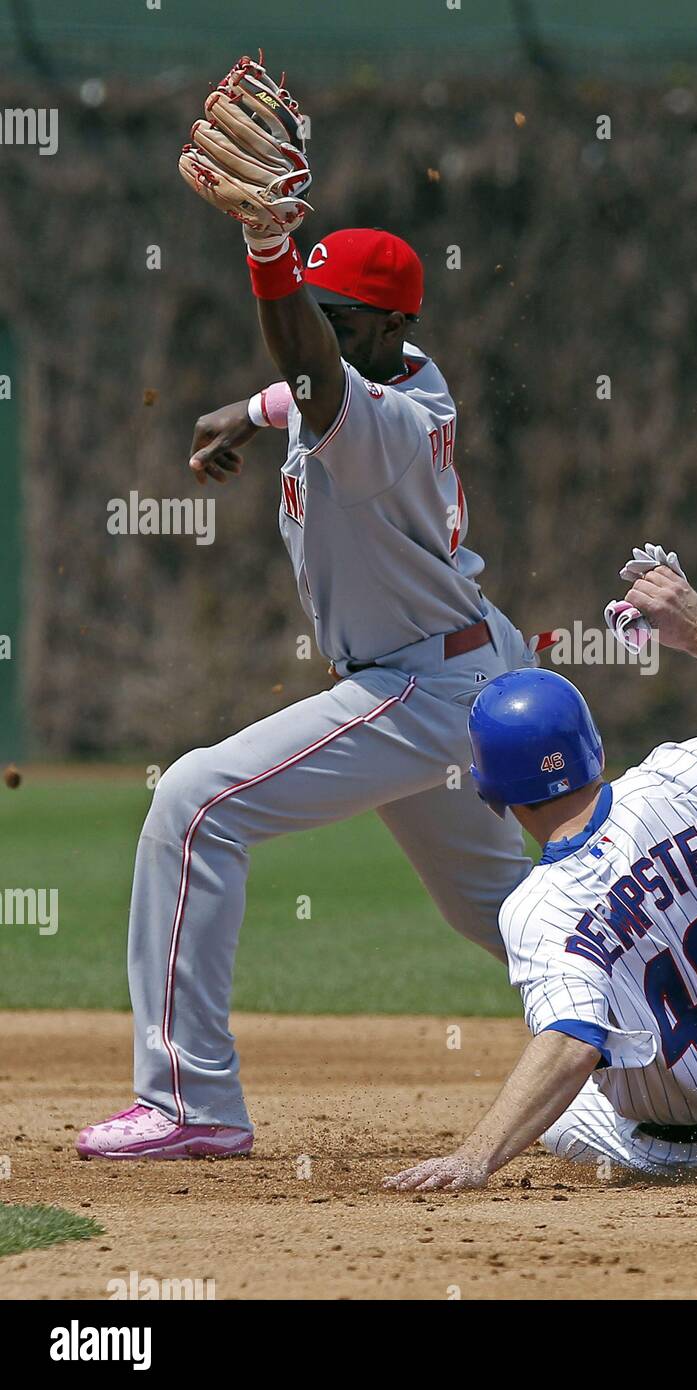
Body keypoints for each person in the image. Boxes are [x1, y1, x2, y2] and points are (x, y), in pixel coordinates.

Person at [78, 57, 536, 1160]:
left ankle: (190, 1102)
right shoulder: (361, 377)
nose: (316, 329)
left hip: (418, 689)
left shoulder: (382, 419)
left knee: (193, 802)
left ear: (389, 330)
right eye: (315, 310)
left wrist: (267, 252)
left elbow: (318, 379)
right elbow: (298, 381)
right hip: (455, 676)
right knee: (511, 916)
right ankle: (689, 1048)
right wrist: (239, 409)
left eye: (339, 317)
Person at [384, 555, 697, 1191]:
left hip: (684, 1159)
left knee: (563, 1114)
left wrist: (474, 1156)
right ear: (596, 747)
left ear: (493, 795)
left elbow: (570, 1041)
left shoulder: (538, 909)